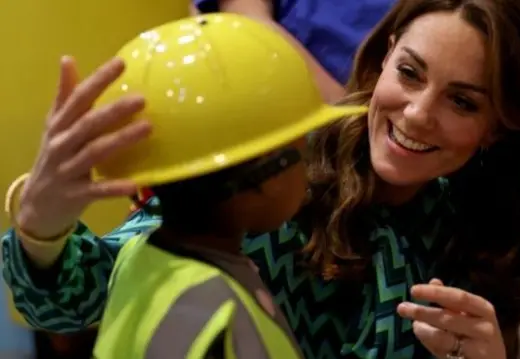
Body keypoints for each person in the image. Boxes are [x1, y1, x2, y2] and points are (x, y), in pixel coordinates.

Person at [3, 1, 520, 358]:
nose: (415, 114)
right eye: (409, 73)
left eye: (462, 101)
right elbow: (87, 294)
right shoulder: (279, 170)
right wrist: (41, 230)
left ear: (498, 126)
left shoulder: (487, 223)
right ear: (385, 56)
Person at [85, 14, 365, 358]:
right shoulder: (204, 311)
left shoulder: (141, 256)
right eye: (302, 154)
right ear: (262, 179)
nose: (310, 174)